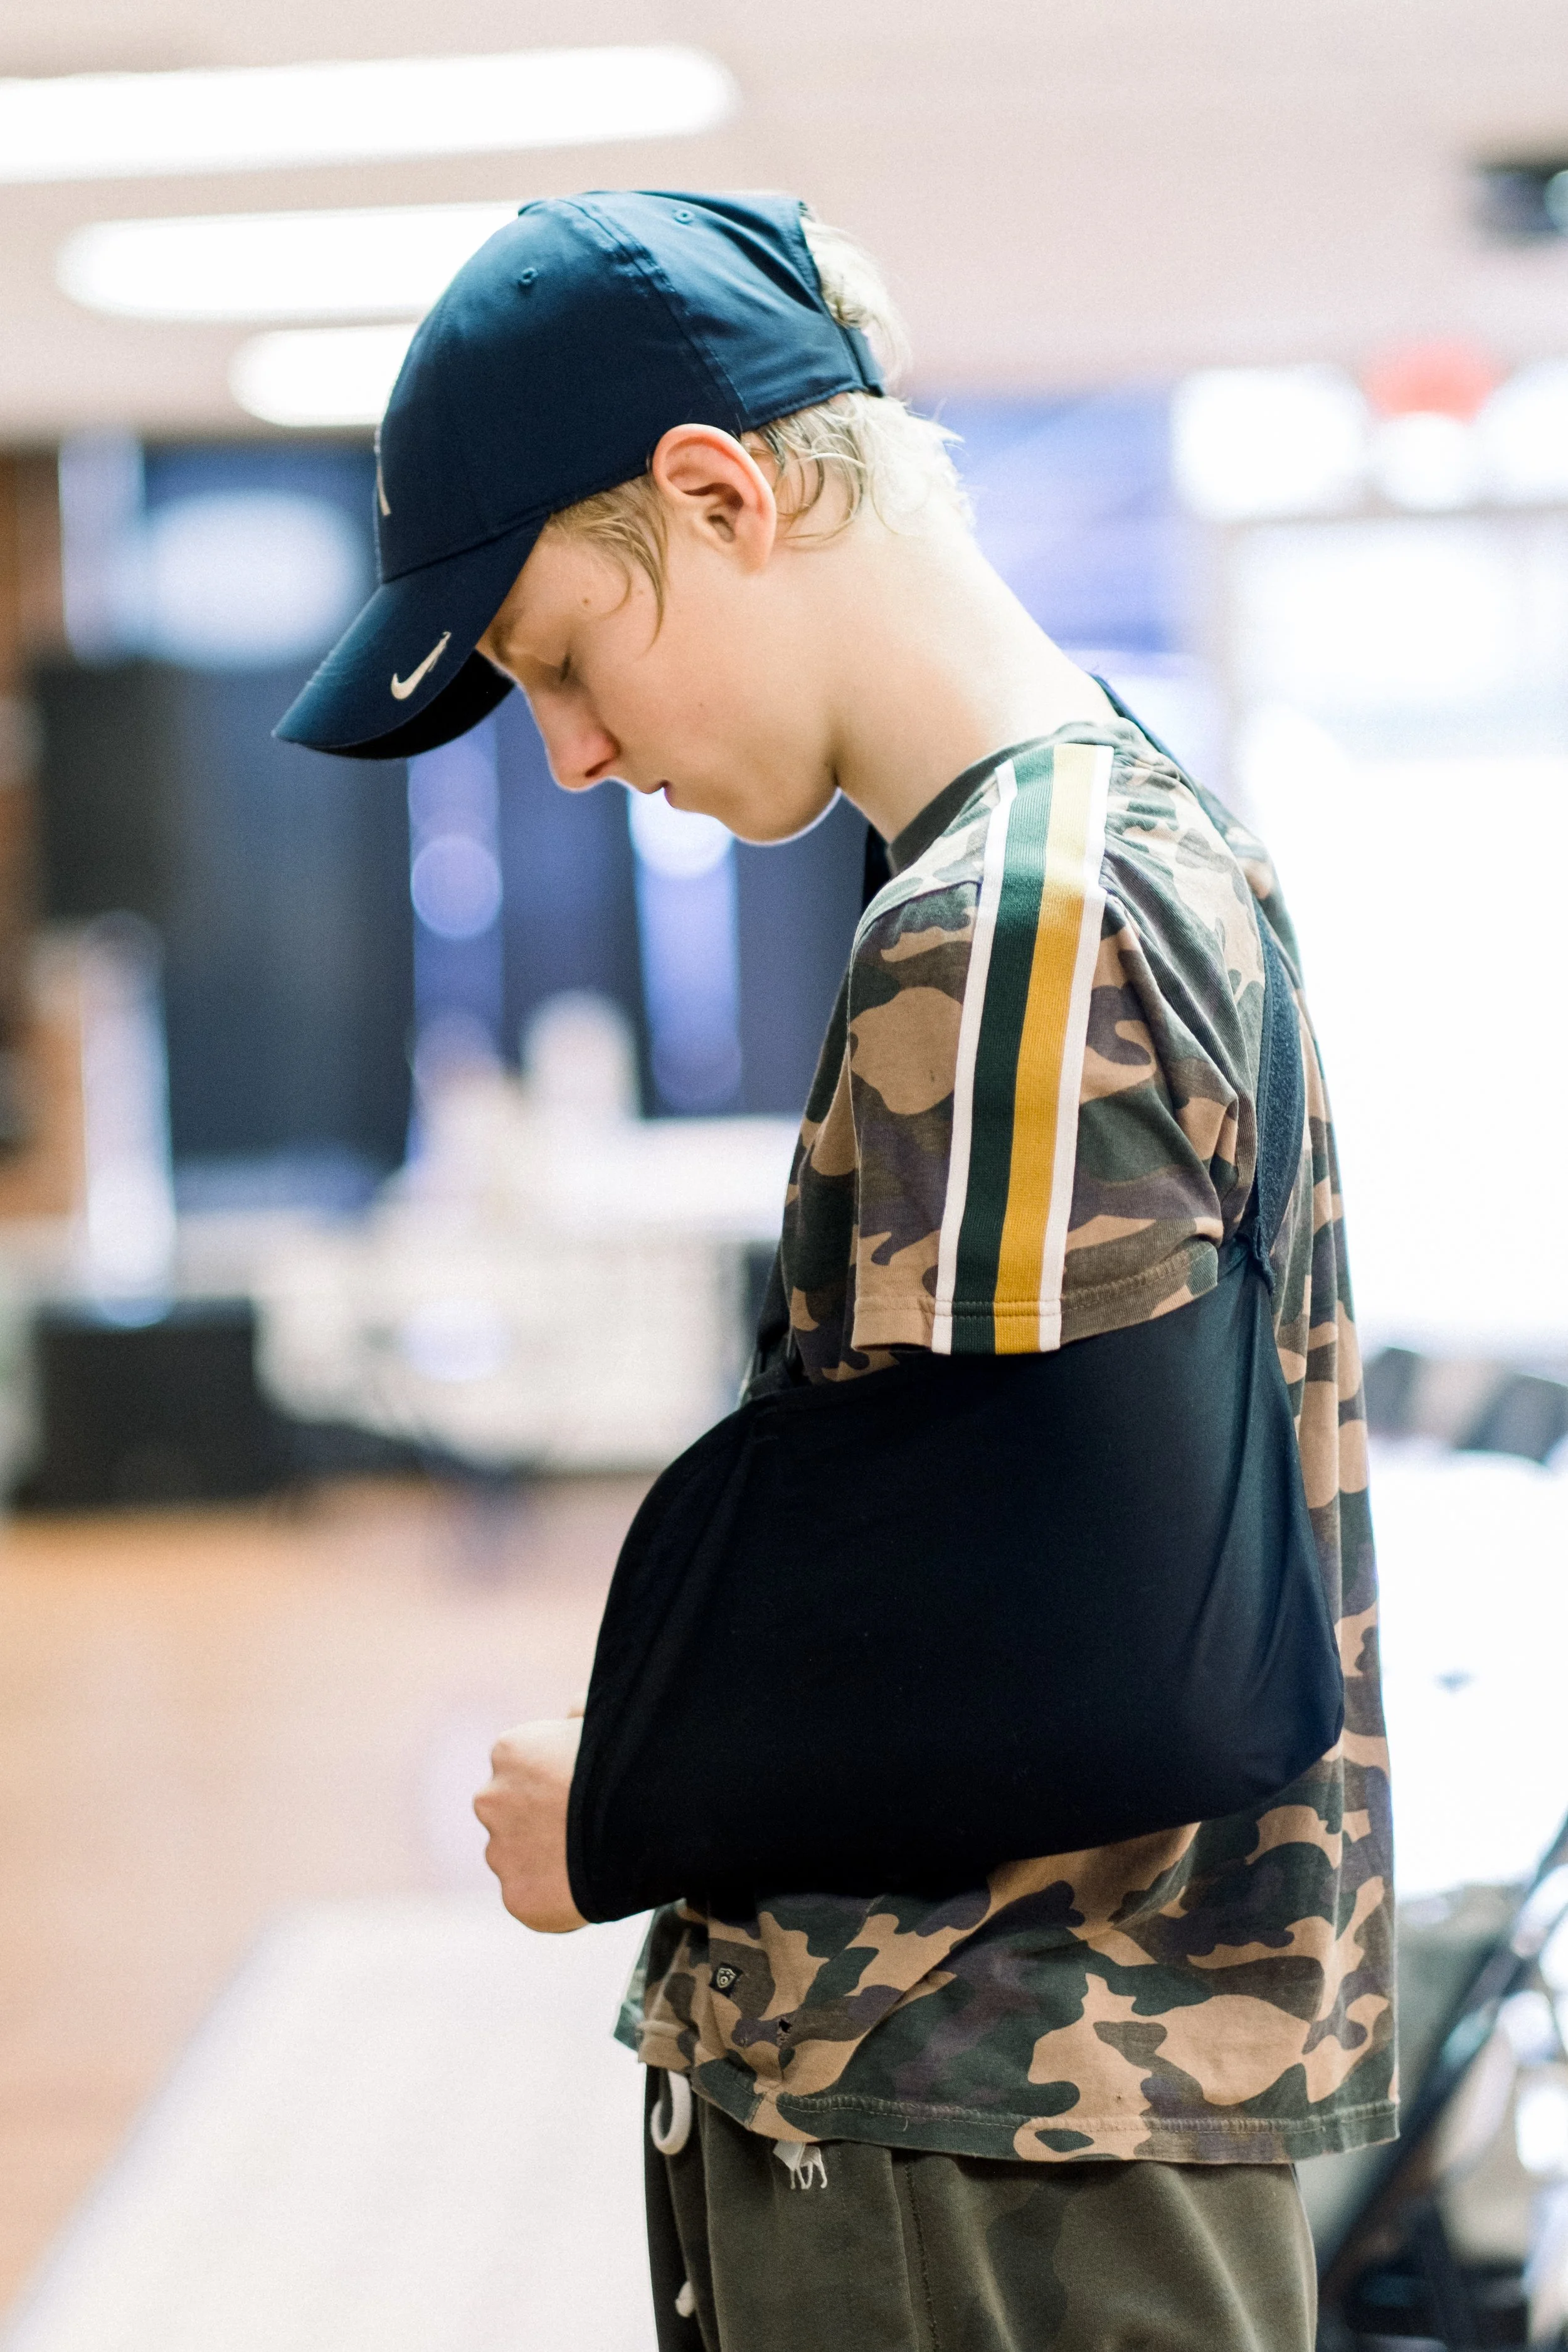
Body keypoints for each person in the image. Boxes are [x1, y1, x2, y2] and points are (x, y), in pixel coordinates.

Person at [278, 191, 1394, 2352]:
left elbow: (1123, 1653)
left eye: (560, 662)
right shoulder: (1116, 850)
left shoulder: (1008, 925)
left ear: (717, 494)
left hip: (983, 2150)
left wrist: (632, 1789)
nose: (578, 756)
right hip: (1029, 2139)